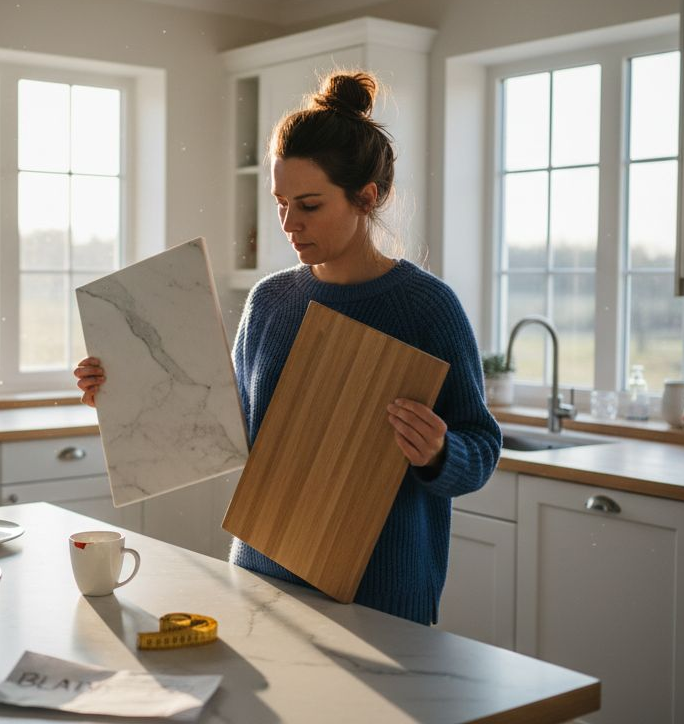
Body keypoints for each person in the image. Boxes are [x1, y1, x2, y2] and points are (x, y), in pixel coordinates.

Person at [74, 70, 501, 625]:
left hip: (382, 589)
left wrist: (442, 452)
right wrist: (124, 388)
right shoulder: (271, 301)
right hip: (262, 574)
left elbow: (482, 448)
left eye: (309, 205)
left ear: (365, 198)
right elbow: (224, 433)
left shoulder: (427, 307)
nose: (288, 224)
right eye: (280, 203)